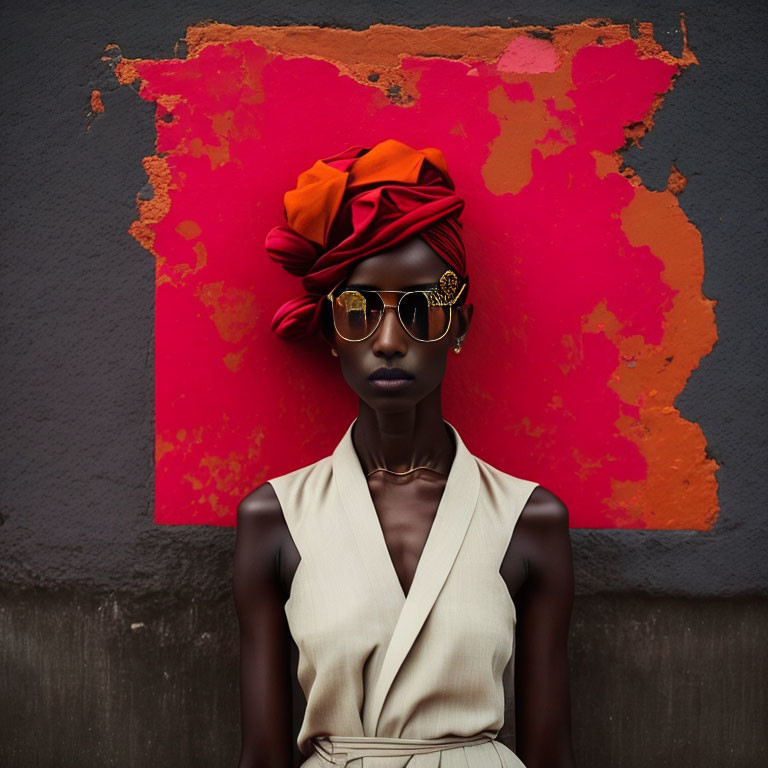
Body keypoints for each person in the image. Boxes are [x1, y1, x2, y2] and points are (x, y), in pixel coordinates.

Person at [234, 139, 575, 768]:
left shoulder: (530, 522)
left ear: (461, 325)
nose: (389, 341)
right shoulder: (274, 519)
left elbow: (551, 752)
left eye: (420, 309)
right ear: (331, 330)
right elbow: (261, 753)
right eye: (359, 309)